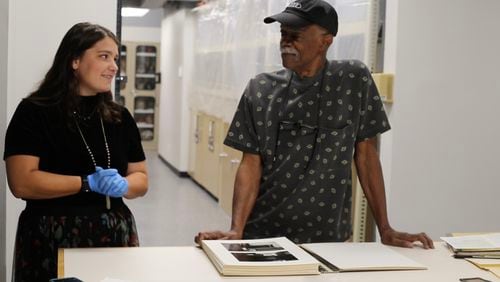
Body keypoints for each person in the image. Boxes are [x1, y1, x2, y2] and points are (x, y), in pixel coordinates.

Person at [196, 0, 434, 249]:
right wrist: (236, 230)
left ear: (326, 40)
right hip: (264, 233)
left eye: (295, 36)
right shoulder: (260, 89)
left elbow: (366, 156)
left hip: (331, 239)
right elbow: (250, 164)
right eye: (283, 34)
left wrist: (384, 228)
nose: (285, 42)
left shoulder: (352, 81)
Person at [3, 22, 148, 281]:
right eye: (104, 56)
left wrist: (123, 185)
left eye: (116, 58)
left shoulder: (119, 117)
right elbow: (22, 183)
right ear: (74, 61)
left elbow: (141, 178)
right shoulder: (34, 112)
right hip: (50, 236)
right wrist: (86, 183)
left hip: (113, 234)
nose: (114, 66)